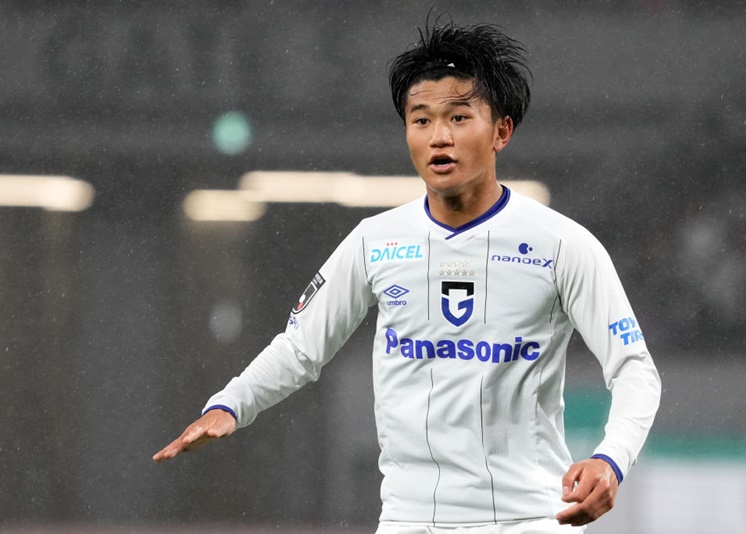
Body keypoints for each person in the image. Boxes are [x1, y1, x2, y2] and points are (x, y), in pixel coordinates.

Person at [154, 18, 661, 533]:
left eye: (459, 117)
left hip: (526, 519)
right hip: (409, 521)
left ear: (501, 131)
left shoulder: (563, 245)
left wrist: (611, 459)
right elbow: (301, 348)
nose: (439, 136)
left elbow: (634, 369)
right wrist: (231, 403)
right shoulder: (376, 241)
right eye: (421, 120)